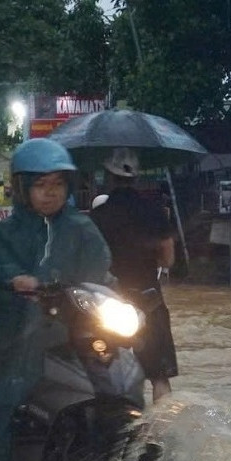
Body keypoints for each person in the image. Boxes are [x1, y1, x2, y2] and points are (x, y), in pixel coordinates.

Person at [0, 138, 113, 461]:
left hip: (73, 330)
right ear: (23, 188)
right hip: (13, 338)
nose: (50, 194)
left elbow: (103, 273)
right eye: (41, 186)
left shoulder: (82, 229)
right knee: (7, 401)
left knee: (120, 377)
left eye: (58, 185)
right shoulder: (6, 232)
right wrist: (12, 279)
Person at [87, 147, 178, 403]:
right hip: (150, 302)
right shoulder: (155, 212)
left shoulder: (96, 218)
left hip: (106, 305)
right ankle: (160, 435)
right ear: (136, 177)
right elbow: (168, 259)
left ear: (108, 176)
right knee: (159, 377)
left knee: (106, 373)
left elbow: (89, 265)